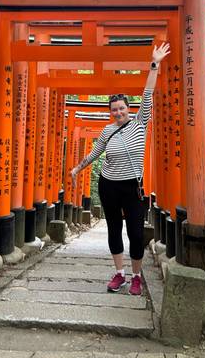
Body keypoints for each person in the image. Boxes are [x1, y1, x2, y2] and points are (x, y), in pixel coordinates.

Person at [71, 42, 170, 295]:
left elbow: (147, 94)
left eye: (122, 108)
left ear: (129, 109)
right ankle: (119, 273)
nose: (118, 112)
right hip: (108, 185)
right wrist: (77, 169)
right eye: (114, 109)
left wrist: (154, 63)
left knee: (135, 233)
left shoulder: (139, 124)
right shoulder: (107, 130)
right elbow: (96, 152)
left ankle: (137, 276)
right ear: (110, 111)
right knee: (114, 229)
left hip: (132, 187)